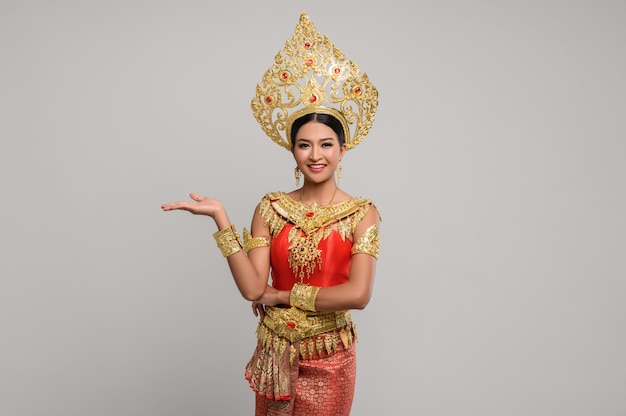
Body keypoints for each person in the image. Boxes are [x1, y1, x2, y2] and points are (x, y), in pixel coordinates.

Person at [161, 12, 380, 415]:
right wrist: (221, 218)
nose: (316, 155)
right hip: (275, 351)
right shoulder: (272, 207)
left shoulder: (361, 214)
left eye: (327, 144)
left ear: (342, 150)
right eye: (304, 144)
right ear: (293, 151)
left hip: (330, 356)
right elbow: (251, 289)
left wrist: (283, 294)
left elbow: (357, 295)